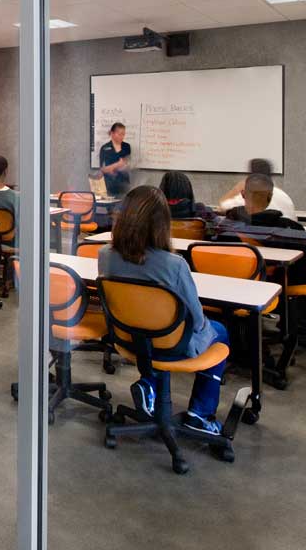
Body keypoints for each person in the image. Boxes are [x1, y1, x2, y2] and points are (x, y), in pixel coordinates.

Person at [98, 185, 228, 434]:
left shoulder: (105, 255)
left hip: (129, 340)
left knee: (156, 329)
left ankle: (150, 383)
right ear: (161, 224)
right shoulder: (175, 265)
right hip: (170, 345)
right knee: (219, 331)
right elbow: (198, 320)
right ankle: (199, 414)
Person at [220, 173, 306, 286]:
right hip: (278, 288)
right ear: (270, 197)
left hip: (235, 286)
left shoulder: (226, 226)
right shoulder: (290, 228)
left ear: (243, 194)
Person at [218, 158, 295, 219]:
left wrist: (237, 188)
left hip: (259, 237)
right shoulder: (285, 197)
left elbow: (222, 207)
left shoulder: (249, 197)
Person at [98, 122, 132, 197]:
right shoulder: (105, 148)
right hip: (109, 185)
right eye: (119, 134)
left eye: (123, 134)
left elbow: (126, 164)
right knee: (111, 208)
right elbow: (103, 169)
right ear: (112, 133)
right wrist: (117, 165)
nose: (121, 136)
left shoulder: (126, 146)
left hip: (124, 184)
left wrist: (112, 168)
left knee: (125, 207)